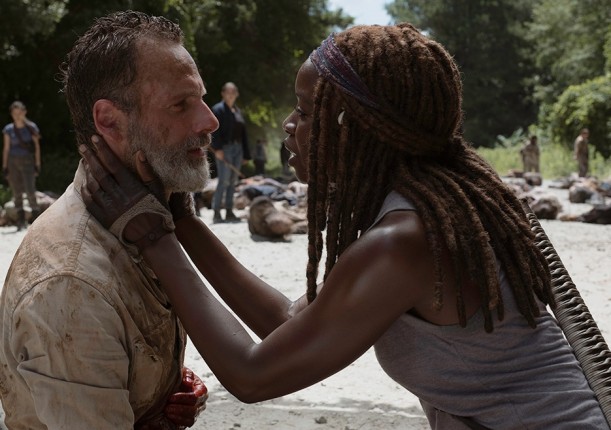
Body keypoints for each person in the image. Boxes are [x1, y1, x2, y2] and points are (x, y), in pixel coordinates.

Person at [81, 23, 609, 429]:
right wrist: (182, 219)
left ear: (355, 127)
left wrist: (154, 237)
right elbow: (287, 325)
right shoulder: (415, 211)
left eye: (306, 111)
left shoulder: (405, 242)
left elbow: (252, 375)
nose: (289, 125)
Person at [0, 11, 212, 429]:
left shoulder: (144, 223)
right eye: (180, 104)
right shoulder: (71, 285)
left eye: (202, 98)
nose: (210, 120)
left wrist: (161, 386)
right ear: (110, 121)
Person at [210, 82, 251, 223]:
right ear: (223, 93)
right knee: (224, 180)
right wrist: (217, 149)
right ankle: (216, 212)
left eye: (233, 92)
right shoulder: (218, 109)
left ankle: (229, 211)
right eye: (228, 92)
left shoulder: (237, 111)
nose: (231, 95)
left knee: (233, 181)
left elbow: (243, 134)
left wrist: (246, 154)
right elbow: (214, 130)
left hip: (238, 149)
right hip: (224, 149)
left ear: (237, 94)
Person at [2, 101, 42, 231]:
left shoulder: (31, 128)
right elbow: (6, 148)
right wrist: (5, 166)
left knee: (30, 190)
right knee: (16, 191)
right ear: (11, 114)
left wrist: (37, 163)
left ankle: (36, 219)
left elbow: (37, 147)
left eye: (19, 112)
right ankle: (21, 220)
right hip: (12, 162)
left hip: (28, 161)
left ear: (24, 112)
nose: (17, 115)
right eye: (14, 113)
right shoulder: (8, 129)